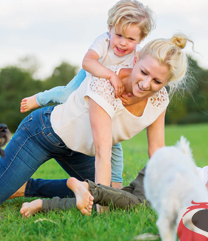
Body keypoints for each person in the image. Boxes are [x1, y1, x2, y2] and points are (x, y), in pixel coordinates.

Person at [0, 33, 191, 214]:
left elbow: (157, 152)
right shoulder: (106, 84)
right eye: (143, 72)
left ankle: (25, 187)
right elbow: (103, 150)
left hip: (76, 149)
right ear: (136, 59)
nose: (146, 83)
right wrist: (101, 206)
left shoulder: (158, 99)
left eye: (157, 81)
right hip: (42, 133)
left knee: (118, 194)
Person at [20, 0, 156, 188]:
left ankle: (115, 187)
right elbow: (88, 62)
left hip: (108, 96)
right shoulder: (103, 41)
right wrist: (111, 75)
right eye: (119, 35)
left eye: (131, 39)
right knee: (66, 95)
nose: (123, 43)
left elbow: (136, 81)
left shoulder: (138, 56)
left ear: (140, 39)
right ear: (110, 29)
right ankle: (39, 98)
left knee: (112, 138)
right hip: (93, 73)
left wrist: (130, 95)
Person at [19, 136, 208, 217]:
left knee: (103, 210)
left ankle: (42, 203)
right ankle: (82, 184)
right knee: (138, 206)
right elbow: (206, 201)